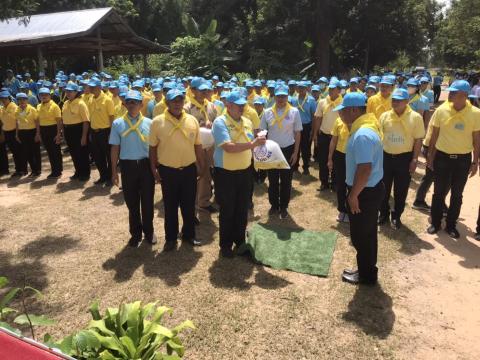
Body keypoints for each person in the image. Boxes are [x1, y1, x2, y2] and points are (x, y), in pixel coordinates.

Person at [334, 92, 384, 285]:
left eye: (343, 111)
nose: (341, 115)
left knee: (361, 235)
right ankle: (367, 271)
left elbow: (364, 169)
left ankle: (366, 275)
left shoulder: (362, 134)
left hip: (364, 192)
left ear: (354, 110)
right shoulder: (367, 126)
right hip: (369, 189)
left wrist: (353, 195)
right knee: (368, 234)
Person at [212, 91, 266, 257]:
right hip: (225, 173)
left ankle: (240, 241)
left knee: (242, 208)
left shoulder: (247, 121)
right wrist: (252, 144)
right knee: (228, 209)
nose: (242, 107)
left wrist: (259, 145)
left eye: (244, 104)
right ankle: (226, 245)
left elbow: (252, 143)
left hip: (245, 171)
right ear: (228, 106)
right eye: (239, 105)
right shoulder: (220, 122)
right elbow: (228, 147)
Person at [149, 89, 204, 251]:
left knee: (188, 205)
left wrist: (201, 165)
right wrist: (153, 168)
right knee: (171, 206)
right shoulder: (157, 122)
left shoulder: (192, 120)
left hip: (188, 170)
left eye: (180, 100)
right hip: (168, 171)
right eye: (173, 101)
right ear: (167, 103)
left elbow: (198, 145)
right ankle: (171, 238)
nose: (177, 104)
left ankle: (189, 235)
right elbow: (152, 148)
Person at [426, 80, 480, 238]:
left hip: (462, 160)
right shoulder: (442, 111)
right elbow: (434, 135)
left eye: (453, 93)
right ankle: (435, 223)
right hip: (442, 157)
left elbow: (477, 140)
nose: (449, 95)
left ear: (463, 96)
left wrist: (475, 162)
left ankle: (451, 225)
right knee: (438, 193)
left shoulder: (475, 114)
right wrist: (430, 157)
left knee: (457, 194)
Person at [110, 90, 156, 248]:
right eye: (128, 102)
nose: (131, 105)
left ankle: (149, 232)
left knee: (148, 201)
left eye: (134, 102)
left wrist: (155, 168)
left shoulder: (150, 123)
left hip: (145, 165)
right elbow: (115, 148)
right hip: (127, 166)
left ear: (141, 105)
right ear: (124, 104)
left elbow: (153, 148)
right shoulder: (117, 123)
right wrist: (114, 171)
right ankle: (135, 234)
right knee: (132, 202)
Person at [378, 88, 425, 229]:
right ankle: (383, 213)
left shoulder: (415, 117)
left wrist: (415, 159)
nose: (395, 102)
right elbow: (379, 137)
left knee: (401, 190)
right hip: (386, 157)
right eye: (393, 100)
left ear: (406, 101)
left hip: (404, 159)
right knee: (383, 188)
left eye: (399, 100)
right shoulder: (385, 116)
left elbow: (418, 140)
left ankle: (396, 215)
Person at [260, 84, 302, 219]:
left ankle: (284, 206)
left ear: (288, 96)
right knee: (272, 180)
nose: (281, 99)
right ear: (275, 96)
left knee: (286, 180)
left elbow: (297, 133)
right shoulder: (267, 112)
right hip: (272, 150)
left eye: (284, 96)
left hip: (288, 149)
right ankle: (274, 205)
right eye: (278, 96)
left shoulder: (294, 111)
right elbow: (262, 132)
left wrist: (296, 153)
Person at [184, 77, 218, 214]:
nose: (205, 92)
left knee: (207, 173)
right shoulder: (186, 108)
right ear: (192, 90)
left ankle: (203, 201)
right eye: (201, 89)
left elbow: (218, 122)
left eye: (206, 89)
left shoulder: (211, 105)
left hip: (209, 145)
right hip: (194, 147)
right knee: (195, 174)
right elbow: (183, 129)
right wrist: (199, 126)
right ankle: (193, 203)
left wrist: (213, 124)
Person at [312, 79, 343, 190]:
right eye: (329, 88)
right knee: (323, 160)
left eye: (333, 89)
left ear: (339, 90)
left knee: (337, 160)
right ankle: (324, 182)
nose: (330, 91)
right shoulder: (322, 102)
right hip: (324, 135)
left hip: (339, 137)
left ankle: (335, 182)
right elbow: (318, 118)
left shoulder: (343, 103)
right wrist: (315, 134)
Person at [86, 78, 115, 186]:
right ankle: (103, 176)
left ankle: (111, 177)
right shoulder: (90, 99)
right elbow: (91, 117)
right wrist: (90, 132)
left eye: (93, 87)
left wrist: (111, 134)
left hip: (105, 131)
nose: (91, 89)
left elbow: (112, 117)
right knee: (98, 156)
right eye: (90, 87)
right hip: (94, 131)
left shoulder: (107, 100)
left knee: (109, 156)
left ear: (99, 87)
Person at [62, 83, 91, 181]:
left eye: (70, 91)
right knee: (73, 152)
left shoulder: (81, 103)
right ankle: (78, 171)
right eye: (67, 91)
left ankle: (85, 173)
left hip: (78, 130)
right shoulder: (66, 103)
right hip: (68, 130)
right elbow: (64, 118)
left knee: (82, 153)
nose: (68, 93)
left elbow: (86, 121)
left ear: (76, 92)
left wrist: (84, 136)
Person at [290, 81, 317, 175]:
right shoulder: (293, 100)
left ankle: (306, 167)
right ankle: (295, 166)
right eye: (299, 88)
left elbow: (314, 116)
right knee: (295, 147)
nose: (301, 90)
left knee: (306, 148)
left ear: (306, 89)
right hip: (295, 127)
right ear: (297, 89)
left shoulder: (311, 100)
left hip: (306, 126)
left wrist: (313, 130)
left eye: (303, 88)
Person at [327, 114, 350, 223]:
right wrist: (330, 158)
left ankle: (351, 210)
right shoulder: (338, 121)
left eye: (343, 110)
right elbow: (333, 140)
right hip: (340, 155)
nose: (341, 113)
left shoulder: (360, 122)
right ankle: (342, 210)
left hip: (354, 156)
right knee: (341, 184)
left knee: (353, 185)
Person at [37, 87, 63, 178]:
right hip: (44, 130)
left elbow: (59, 121)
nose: (44, 96)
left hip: (53, 130)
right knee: (50, 152)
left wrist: (58, 134)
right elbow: (39, 121)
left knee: (55, 151)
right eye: (41, 95)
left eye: (46, 95)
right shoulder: (39, 106)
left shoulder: (54, 106)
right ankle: (54, 170)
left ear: (49, 96)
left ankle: (58, 171)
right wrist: (39, 133)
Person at [15, 92, 41, 177]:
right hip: (22, 133)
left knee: (35, 151)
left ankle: (37, 170)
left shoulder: (32, 109)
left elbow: (37, 122)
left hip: (32, 132)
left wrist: (37, 133)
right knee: (27, 152)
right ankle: (33, 170)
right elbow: (17, 123)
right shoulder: (17, 110)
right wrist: (17, 134)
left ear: (27, 100)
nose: (22, 101)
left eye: (23, 99)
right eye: (19, 99)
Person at [0, 90, 22, 176]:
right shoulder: (2, 108)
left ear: (9, 98)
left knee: (18, 151)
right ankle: (18, 169)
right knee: (13, 152)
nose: (3, 100)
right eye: (1, 99)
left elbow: (18, 121)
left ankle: (21, 170)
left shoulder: (14, 107)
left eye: (5, 98)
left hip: (14, 132)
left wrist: (17, 134)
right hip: (7, 132)